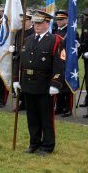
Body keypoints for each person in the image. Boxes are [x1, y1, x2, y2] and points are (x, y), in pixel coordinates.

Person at [13, 10, 65, 156]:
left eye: (40, 23)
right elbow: (19, 61)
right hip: (28, 83)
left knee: (46, 117)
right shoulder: (28, 39)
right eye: (35, 22)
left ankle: (47, 146)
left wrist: (55, 83)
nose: (37, 25)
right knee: (32, 117)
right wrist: (16, 80)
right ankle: (34, 143)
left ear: (47, 23)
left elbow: (59, 64)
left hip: (44, 85)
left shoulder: (56, 40)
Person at [53, 10, 79, 117]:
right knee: (58, 84)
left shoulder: (72, 32)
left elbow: (76, 49)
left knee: (67, 86)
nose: (58, 22)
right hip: (57, 62)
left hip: (68, 62)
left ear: (67, 20)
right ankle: (59, 107)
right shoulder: (54, 30)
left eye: (61, 20)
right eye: (57, 20)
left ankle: (68, 108)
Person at [10, 10, 35, 110]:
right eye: (22, 21)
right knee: (19, 82)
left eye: (25, 21)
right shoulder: (19, 32)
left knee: (27, 83)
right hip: (19, 59)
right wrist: (13, 49)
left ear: (30, 21)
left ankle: (28, 103)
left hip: (29, 61)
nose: (23, 23)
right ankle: (22, 102)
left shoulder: (34, 32)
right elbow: (17, 44)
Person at [79, 8, 88, 108]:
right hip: (86, 57)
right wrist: (82, 53)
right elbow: (82, 40)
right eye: (87, 18)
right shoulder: (85, 25)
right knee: (87, 78)